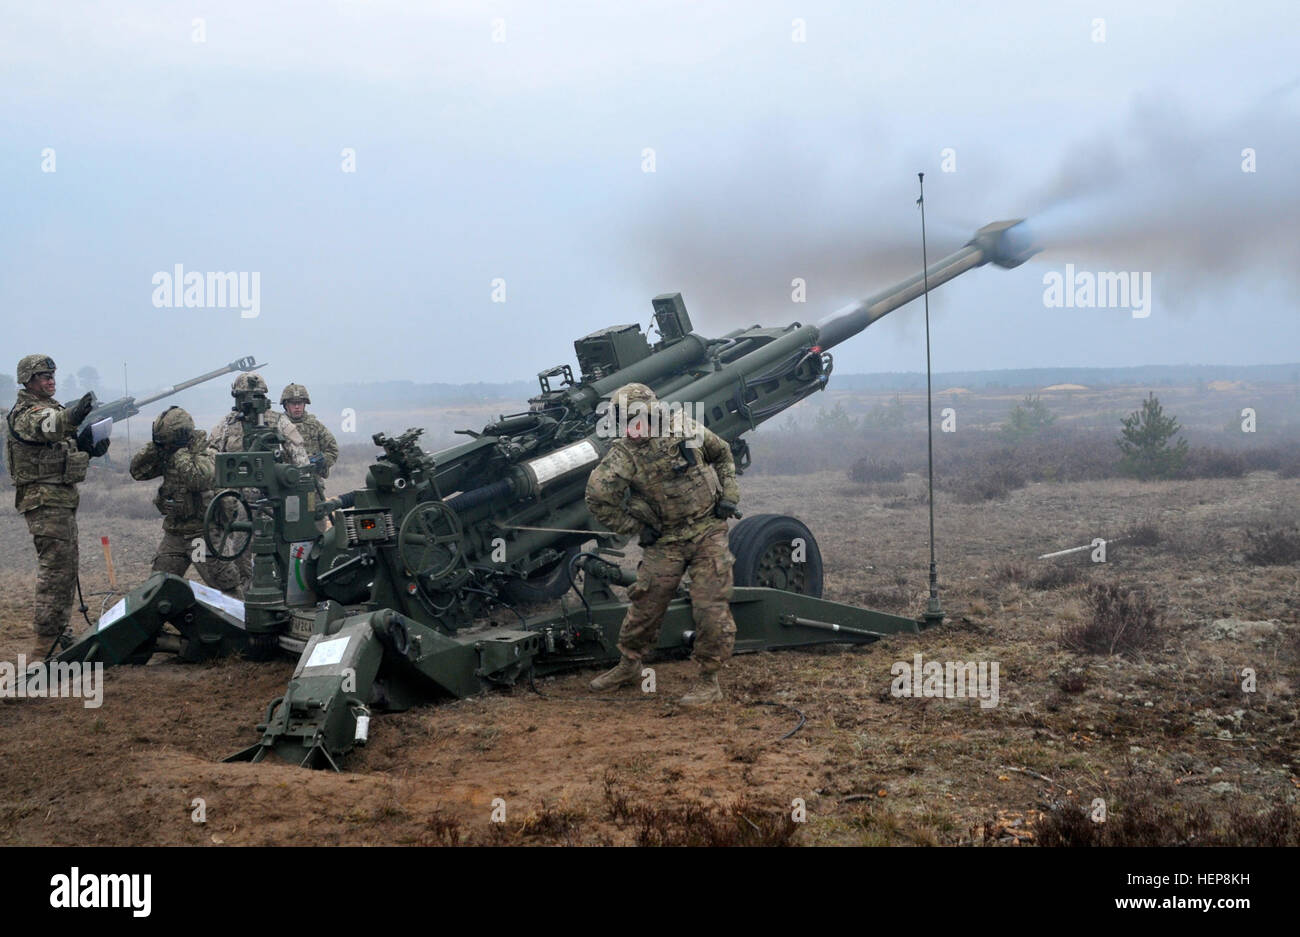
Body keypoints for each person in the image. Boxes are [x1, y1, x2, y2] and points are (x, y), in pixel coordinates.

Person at [584, 382, 741, 705]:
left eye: (638, 418)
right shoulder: (624, 455)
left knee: (710, 607)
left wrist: (730, 494)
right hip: (666, 539)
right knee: (645, 604)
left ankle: (708, 680)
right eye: (627, 420)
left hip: (707, 530)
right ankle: (629, 665)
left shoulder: (684, 427)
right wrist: (636, 529)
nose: (634, 427)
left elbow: (722, 453)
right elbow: (598, 498)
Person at [5, 355, 106, 654]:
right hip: (44, 501)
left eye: (51, 374)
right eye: (42, 376)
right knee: (55, 570)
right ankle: (45, 644)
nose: (50, 379)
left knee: (65, 568)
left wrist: (89, 447)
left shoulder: (51, 409)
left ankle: (59, 634)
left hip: (59, 500)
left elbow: (61, 447)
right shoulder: (27, 413)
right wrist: (75, 415)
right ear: (28, 381)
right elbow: (50, 426)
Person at [207, 372, 308, 592]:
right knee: (242, 549)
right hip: (241, 500)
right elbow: (210, 455)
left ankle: (286, 590)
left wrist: (300, 486)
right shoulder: (227, 425)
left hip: (276, 498)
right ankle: (249, 591)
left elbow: (299, 455)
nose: (249, 402)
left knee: (284, 546)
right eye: (244, 396)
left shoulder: (278, 421)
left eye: (255, 396)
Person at [130, 406, 241, 596]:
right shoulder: (166, 453)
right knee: (157, 588)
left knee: (224, 586)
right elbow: (138, 471)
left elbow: (196, 479)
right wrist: (155, 447)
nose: (166, 448)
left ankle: (243, 622)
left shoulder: (206, 453)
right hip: (175, 534)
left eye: (168, 442)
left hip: (201, 535)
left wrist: (180, 451)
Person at [279, 383, 337, 498]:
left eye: (300, 403)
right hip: (286, 484)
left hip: (312, 485)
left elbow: (332, 449)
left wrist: (321, 462)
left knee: (316, 514)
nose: (297, 407)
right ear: (286, 405)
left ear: (305, 404)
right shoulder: (278, 426)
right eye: (293, 403)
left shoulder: (314, 425)